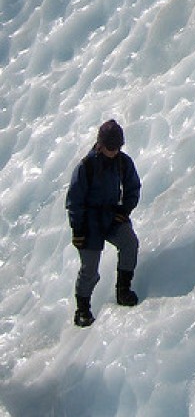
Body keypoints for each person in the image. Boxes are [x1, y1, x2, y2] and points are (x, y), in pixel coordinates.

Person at [65, 119, 141, 327]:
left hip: (111, 217)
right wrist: (78, 229)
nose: (113, 151)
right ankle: (82, 309)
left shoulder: (123, 162)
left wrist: (124, 210)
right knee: (89, 268)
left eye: (117, 147)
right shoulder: (86, 167)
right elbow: (74, 201)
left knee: (130, 244)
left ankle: (123, 290)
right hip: (89, 224)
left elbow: (133, 188)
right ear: (100, 144)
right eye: (110, 147)